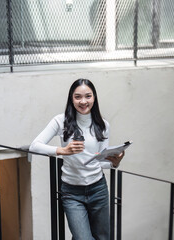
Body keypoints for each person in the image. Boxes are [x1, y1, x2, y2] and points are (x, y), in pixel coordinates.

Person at [30, 78, 124, 240]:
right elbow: (34, 146)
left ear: (94, 98)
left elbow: (97, 160)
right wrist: (62, 150)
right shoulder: (61, 121)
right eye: (77, 97)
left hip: (98, 189)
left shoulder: (103, 125)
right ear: (71, 99)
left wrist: (113, 163)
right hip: (72, 192)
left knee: (103, 237)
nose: (83, 101)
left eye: (88, 96)